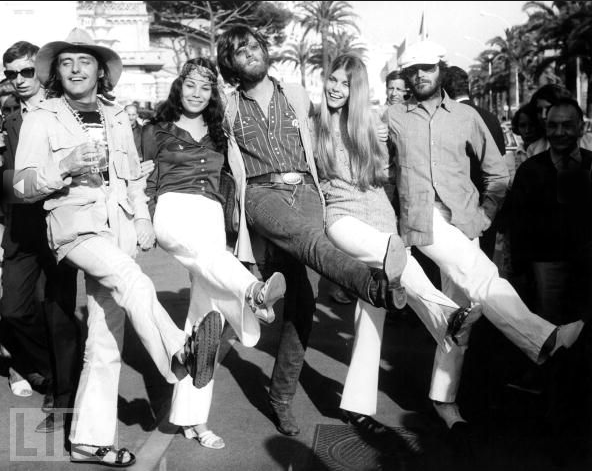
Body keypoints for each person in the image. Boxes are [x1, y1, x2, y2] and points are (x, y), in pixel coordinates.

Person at [14, 28, 217, 467]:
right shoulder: (41, 117)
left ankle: (89, 441)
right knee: (132, 279)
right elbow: (22, 185)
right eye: (66, 63)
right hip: (75, 231)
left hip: (119, 229)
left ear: (100, 71)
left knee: (106, 341)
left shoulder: (117, 114)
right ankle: (179, 355)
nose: (75, 69)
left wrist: (142, 218)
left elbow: (132, 178)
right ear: (56, 72)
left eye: (84, 62)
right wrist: (62, 166)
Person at [215, 25, 430, 436]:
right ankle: (375, 285)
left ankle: (279, 397)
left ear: (265, 50)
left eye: (255, 44)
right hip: (263, 195)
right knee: (313, 243)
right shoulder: (226, 108)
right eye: (240, 50)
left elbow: (338, 121)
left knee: (303, 303)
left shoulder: (295, 94)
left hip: (307, 191)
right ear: (231, 63)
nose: (251, 53)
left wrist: (378, 128)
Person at [387, 39, 586, 415]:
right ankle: (546, 338)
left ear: (440, 67)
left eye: (426, 67)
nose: (420, 75)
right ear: (405, 76)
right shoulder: (393, 119)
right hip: (421, 220)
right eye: (412, 70)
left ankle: (443, 400)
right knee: (480, 275)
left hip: (464, 222)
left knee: (461, 314)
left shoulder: (467, 117)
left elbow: (497, 174)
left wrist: (484, 216)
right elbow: (380, 169)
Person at [316, 53, 480, 430]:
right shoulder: (314, 124)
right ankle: (446, 314)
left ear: (356, 90)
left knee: (371, 313)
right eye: (333, 80)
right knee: (394, 261)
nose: (336, 88)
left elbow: (389, 177)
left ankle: (356, 405)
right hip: (342, 219)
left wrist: (384, 145)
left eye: (345, 83)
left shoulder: (374, 124)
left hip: (382, 220)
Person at [142, 57, 286, 449]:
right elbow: (138, 178)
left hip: (209, 216)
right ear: (178, 85)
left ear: (212, 94)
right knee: (214, 272)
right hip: (171, 211)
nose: (196, 93)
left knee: (203, 322)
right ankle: (253, 291)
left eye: (205, 87)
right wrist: (140, 218)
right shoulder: (155, 130)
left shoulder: (221, 132)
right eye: (190, 85)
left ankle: (193, 420)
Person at [1, 40, 80, 434]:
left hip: (58, 220)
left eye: (26, 72)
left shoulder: (61, 110)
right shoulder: (7, 113)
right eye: (11, 73)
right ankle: (51, 370)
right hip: (19, 227)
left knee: (58, 313)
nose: (18, 80)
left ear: (40, 72)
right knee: (13, 310)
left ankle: (64, 400)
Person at [510, 97, 592, 325]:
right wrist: (521, 272)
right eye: (553, 126)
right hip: (545, 268)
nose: (559, 132)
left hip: (587, 267)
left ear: (581, 127)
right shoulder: (530, 170)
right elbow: (517, 225)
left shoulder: (589, 164)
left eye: (567, 125)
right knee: (550, 332)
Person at [527, 84, 592, 158]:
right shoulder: (534, 149)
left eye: (548, 109)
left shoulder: (589, 144)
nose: (543, 116)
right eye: (539, 110)